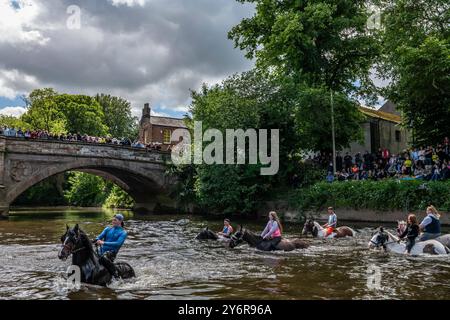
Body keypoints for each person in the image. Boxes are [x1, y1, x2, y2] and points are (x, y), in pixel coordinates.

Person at [94, 214, 128, 278]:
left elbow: (118, 244)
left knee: (104, 258)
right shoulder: (107, 229)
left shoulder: (123, 233)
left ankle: (115, 275)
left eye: (115, 220)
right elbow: (99, 237)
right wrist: (97, 240)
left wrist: (103, 243)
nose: (113, 221)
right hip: (101, 251)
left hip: (112, 253)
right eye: (112, 220)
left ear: (120, 221)